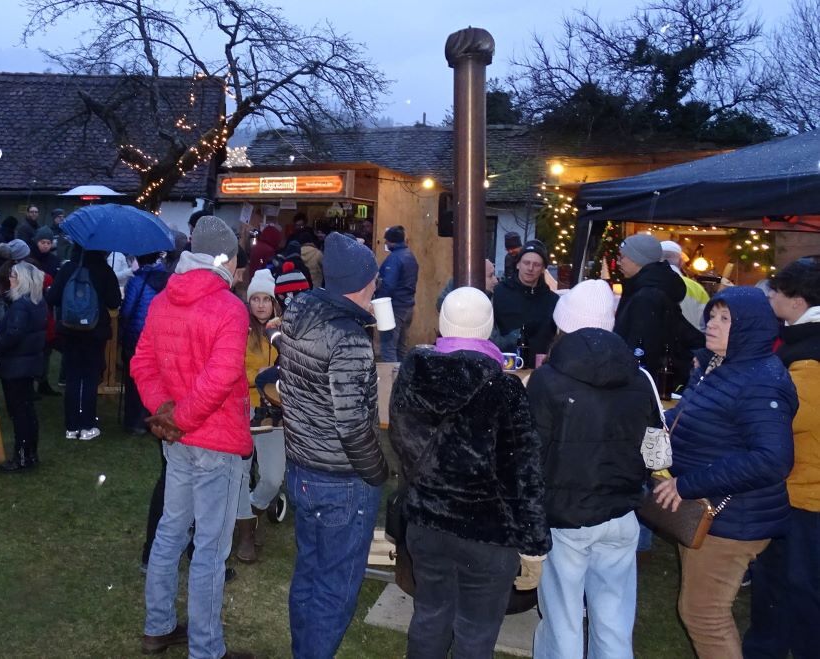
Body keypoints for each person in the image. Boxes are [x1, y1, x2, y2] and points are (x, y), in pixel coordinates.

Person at [390, 286, 551, 658]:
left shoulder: (412, 375)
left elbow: (403, 442)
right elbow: (523, 474)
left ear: (443, 325)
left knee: (429, 616)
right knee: (475, 632)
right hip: (487, 535)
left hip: (427, 523)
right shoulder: (505, 390)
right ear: (489, 327)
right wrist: (534, 547)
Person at [131, 215, 253, 659]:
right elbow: (221, 378)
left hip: (179, 438)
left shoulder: (165, 299)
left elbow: (142, 364)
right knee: (209, 549)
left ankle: (158, 627)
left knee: (170, 531)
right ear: (227, 260)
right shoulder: (229, 308)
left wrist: (168, 414)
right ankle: (206, 648)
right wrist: (176, 416)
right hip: (213, 438)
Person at [653, 287, 796, 659]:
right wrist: (657, 421)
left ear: (749, 327)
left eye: (725, 319)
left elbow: (772, 459)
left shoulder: (760, 379)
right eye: (712, 316)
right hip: (711, 510)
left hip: (732, 516)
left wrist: (688, 485)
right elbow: (693, 414)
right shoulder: (720, 366)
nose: (712, 325)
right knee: (700, 609)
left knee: (704, 615)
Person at [527, 280, 655, 658]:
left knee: (562, 619)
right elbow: (655, 452)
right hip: (620, 514)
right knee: (614, 619)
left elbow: (531, 453)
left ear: (562, 322)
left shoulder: (547, 379)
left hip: (566, 519)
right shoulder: (641, 378)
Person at [277, 231, 389, 658]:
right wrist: (377, 473)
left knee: (310, 572)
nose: (377, 285)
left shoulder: (299, 313)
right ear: (362, 282)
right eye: (374, 278)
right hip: (341, 480)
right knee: (335, 586)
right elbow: (353, 425)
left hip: (302, 469)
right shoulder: (349, 338)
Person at [743, 259, 820, 659]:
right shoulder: (799, 342)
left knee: (795, 584)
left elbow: (789, 418)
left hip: (805, 491)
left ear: (797, 301)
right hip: (800, 484)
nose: (770, 295)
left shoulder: (809, 352)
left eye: (776, 290)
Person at [46, 245, 121, 441]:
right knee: (89, 377)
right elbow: (114, 301)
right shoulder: (104, 270)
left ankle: (71, 426)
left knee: (72, 376)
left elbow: (52, 297)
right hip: (95, 332)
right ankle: (87, 424)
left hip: (69, 330)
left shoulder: (67, 269)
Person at [614, 233, 703, 386]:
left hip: (645, 382)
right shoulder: (645, 288)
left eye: (622, 257)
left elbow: (643, 348)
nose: (618, 262)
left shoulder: (646, 297)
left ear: (637, 259)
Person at [234, 269, 280, 564]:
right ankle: (246, 533)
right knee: (239, 473)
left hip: (275, 412)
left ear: (274, 302)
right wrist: (259, 376)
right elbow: (232, 367)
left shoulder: (284, 331)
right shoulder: (240, 329)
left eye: (266, 299)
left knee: (273, 477)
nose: (261, 305)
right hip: (243, 408)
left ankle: (252, 512)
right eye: (256, 299)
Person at [0, 262, 48, 473]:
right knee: (27, 410)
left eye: (13, 276)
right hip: (28, 364)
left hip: (16, 366)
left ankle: (22, 456)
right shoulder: (38, 302)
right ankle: (30, 454)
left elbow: (13, 334)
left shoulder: (21, 306)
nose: (10, 279)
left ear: (22, 280)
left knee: (19, 412)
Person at [119, 251, 169, 434]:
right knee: (156, 377)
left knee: (136, 378)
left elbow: (127, 311)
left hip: (137, 334)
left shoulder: (136, 281)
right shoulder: (168, 279)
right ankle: (153, 418)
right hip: (159, 334)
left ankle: (135, 421)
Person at [492, 240, 559, 356]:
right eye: (526, 263)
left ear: (543, 269)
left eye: (536, 265)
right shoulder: (499, 293)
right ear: (518, 264)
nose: (530, 268)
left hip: (539, 365)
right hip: (506, 362)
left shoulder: (553, 301)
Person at [377, 225, 419, 363]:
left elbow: (388, 285)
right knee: (401, 348)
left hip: (394, 308)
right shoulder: (410, 256)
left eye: (386, 240)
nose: (385, 243)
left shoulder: (394, 259)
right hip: (408, 306)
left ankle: (391, 376)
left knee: (388, 348)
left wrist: (377, 301)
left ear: (392, 241)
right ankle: (403, 375)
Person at [662, 240, 710, 330]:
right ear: (681, 262)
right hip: (693, 338)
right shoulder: (696, 288)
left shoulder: (643, 284)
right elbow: (707, 321)